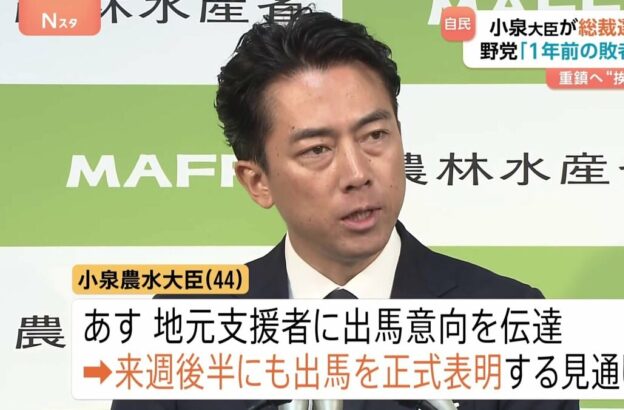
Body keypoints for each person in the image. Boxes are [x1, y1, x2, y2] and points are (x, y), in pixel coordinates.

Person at [112, 9, 578, 410]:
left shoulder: (512, 319)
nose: (357, 173)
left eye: (375, 136)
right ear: (257, 181)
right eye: (317, 149)